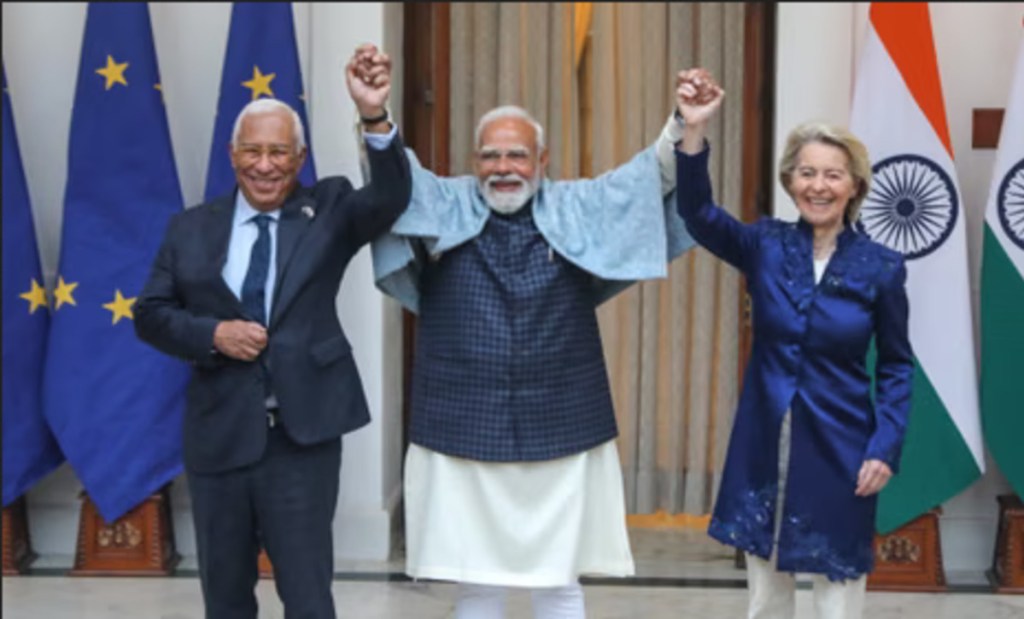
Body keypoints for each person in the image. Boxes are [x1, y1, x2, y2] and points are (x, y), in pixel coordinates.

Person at [369, 73, 706, 618]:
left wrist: (684, 125)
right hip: (460, 421)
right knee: (474, 578)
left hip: (564, 422)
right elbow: (392, 182)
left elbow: (648, 180)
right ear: (475, 161)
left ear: (543, 160)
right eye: (491, 156)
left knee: (559, 579)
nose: (504, 168)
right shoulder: (445, 202)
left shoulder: (578, 205)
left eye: (517, 155)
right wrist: (374, 115)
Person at [134, 44, 410, 619]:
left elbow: (390, 197)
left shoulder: (328, 207)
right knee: (226, 598)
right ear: (233, 155)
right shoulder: (189, 228)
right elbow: (151, 315)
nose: (265, 164)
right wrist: (214, 335)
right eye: (253, 151)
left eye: (279, 152)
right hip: (220, 439)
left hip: (301, 439)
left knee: (308, 598)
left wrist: (373, 115)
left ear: (300, 156)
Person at [672, 71, 914, 618]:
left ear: (854, 185)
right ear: (790, 181)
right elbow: (697, 214)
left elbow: (897, 366)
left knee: (837, 591)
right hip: (764, 442)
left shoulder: (882, 267)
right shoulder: (764, 245)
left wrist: (885, 445)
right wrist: (693, 131)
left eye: (832, 175)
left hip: (842, 446)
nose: (818, 186)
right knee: (766, 597)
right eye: (806, 173)